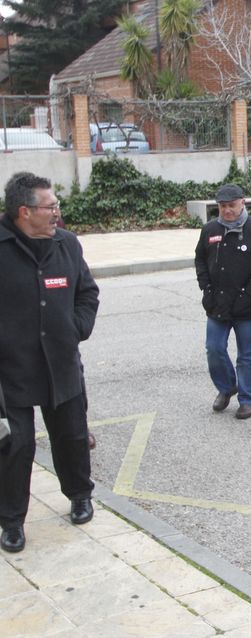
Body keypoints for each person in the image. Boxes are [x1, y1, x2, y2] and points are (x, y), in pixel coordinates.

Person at [0, 172, 100, 553]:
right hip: (12, 371)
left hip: (61, 363)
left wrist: (76, 328)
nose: (57, 212)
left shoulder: (67, 245)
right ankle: (11, 521)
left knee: (72, 436)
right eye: (51, 206)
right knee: (16, 446)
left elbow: (87, 293)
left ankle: (80, 495)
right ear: (25, 212)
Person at [195, 184, 251, 420]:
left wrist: (249, 293)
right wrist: (206, 288)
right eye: (222, 207)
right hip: (217, 303)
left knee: (247, 355)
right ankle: (226, 387)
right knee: (214, 348)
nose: (227, 211)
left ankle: (247, 399)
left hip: (248, 305)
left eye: (231, 205)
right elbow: (200, 260)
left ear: (243, 202)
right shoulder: (210, 230)